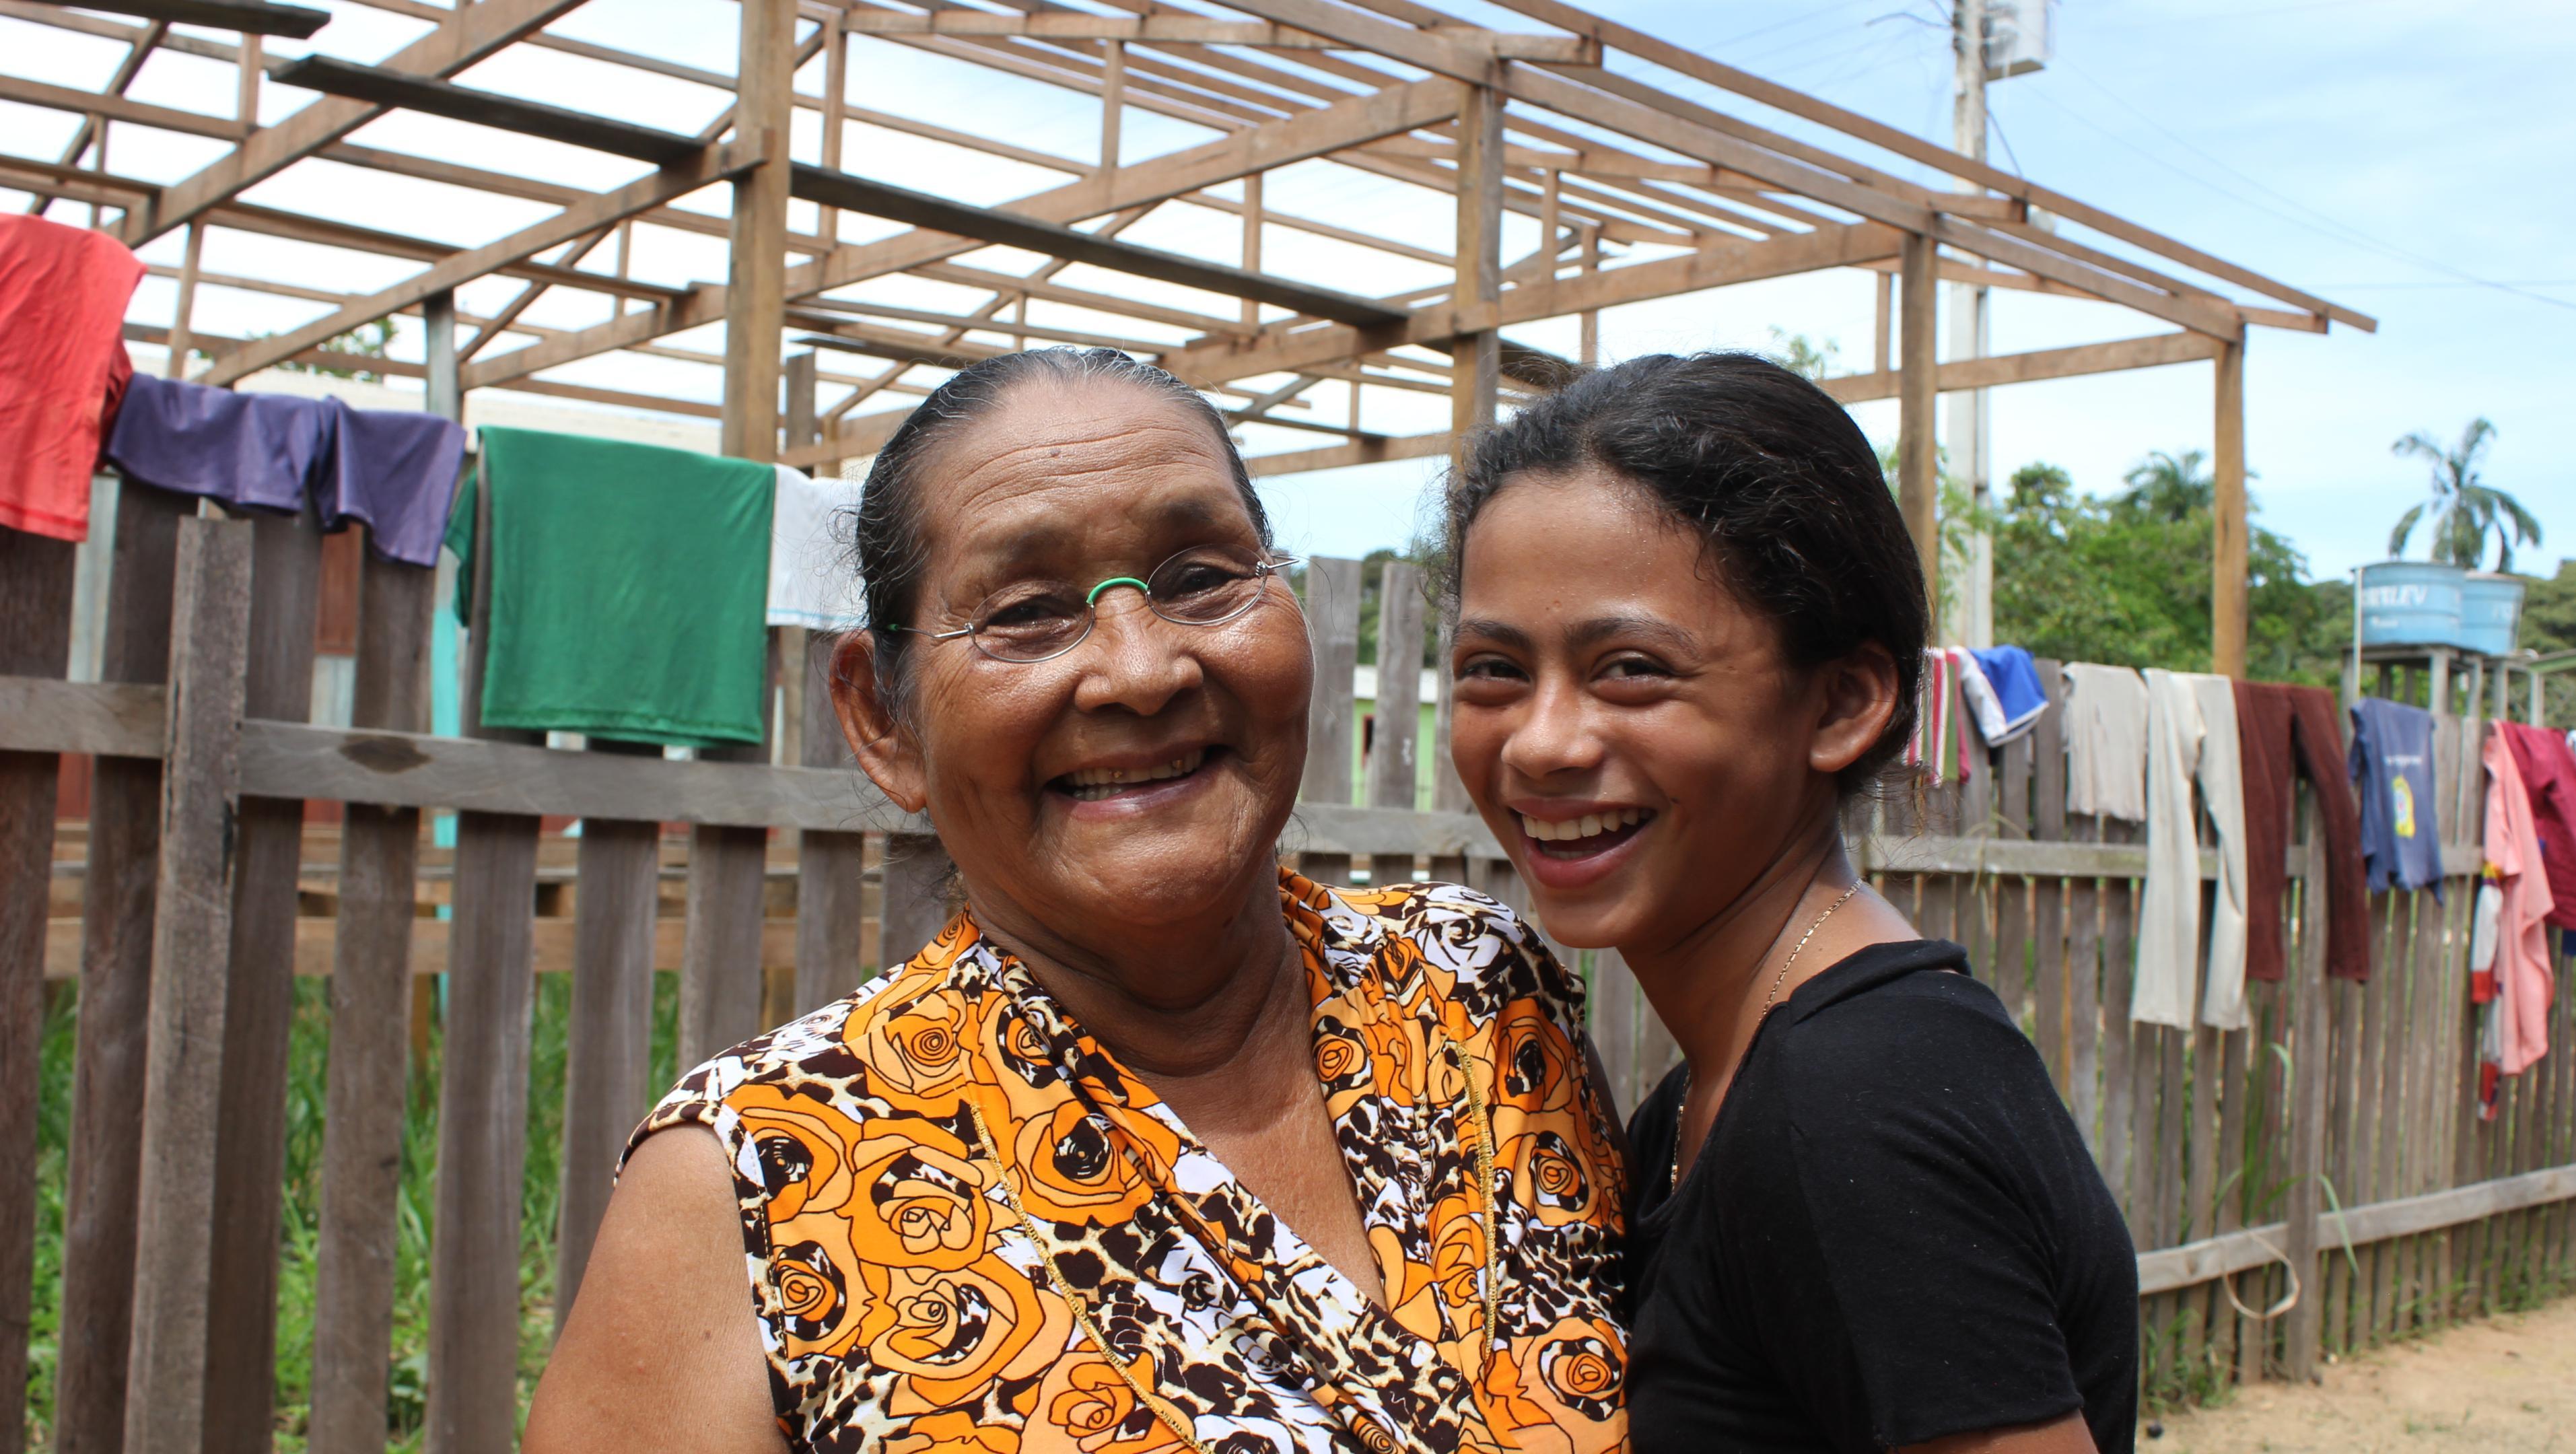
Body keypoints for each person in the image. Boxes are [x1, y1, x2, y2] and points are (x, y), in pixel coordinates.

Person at [525, 349, 1629, 1454]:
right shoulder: (757, 1180)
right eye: (1028, 609)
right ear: (882, 721)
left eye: (1202, 578)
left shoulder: (1479, 991)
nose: (1143, 671)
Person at [1440, 352, 2138, 1454]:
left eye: (1629, 668)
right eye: (1493, 669)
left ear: (1844, 703)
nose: (1541, 741)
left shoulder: (1852, 1104)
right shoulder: (1714, 1093)